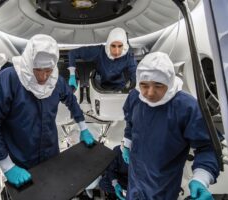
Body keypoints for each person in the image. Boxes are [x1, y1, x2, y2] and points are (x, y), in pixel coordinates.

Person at [0, 34, 95, 188]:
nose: (43, 76)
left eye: (48, 70)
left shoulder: (55, 81)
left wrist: (83, 128)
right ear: (28, 63)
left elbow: (71, 101)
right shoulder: (8, 79)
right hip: (19, 159)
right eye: (38, 70)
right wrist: (7, 166)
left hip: (51, 154)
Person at [122, 52, 219, 199]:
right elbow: (130, 120)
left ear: (169, 81)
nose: (149, 93)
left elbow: (208, 146)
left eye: (158, 85)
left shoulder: (186, 107)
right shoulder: (135, 97)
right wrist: (127, 142)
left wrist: (201, 178)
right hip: (135, 181)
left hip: (163, 187)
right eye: (144, 85)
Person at [68, 27, 137, 91]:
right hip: (100, 86)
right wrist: (72, 75)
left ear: (124, 45)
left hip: (120, 88)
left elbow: (134, 74)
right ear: (109, 43)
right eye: (113, 46)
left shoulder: (128, 55)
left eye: (120, 46)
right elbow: (72, 53)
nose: (116, 52)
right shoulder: (99, 51)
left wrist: (131, 86)